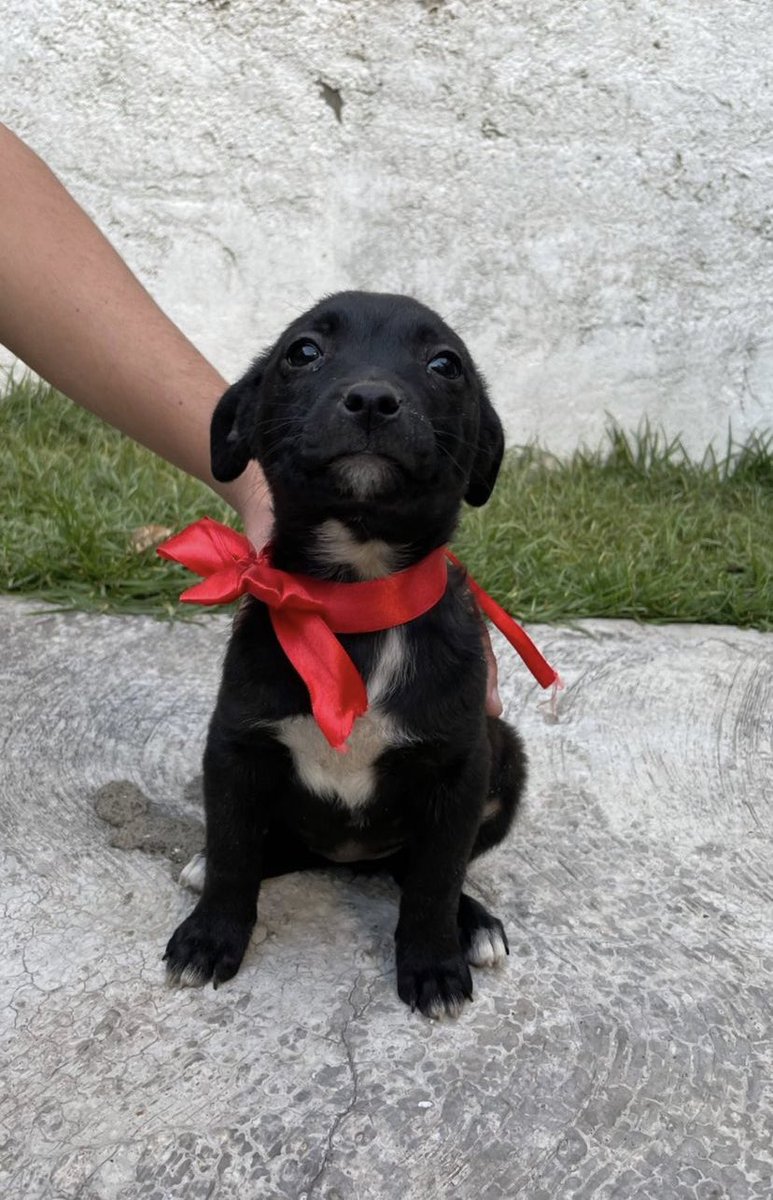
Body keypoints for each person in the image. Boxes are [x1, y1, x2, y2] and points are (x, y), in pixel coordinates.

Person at [0, 122, 502, 715]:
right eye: (308, 355)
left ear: (482, 451)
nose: (373, 394)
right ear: (243, 423)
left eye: (441, 366)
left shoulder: (450, 649)